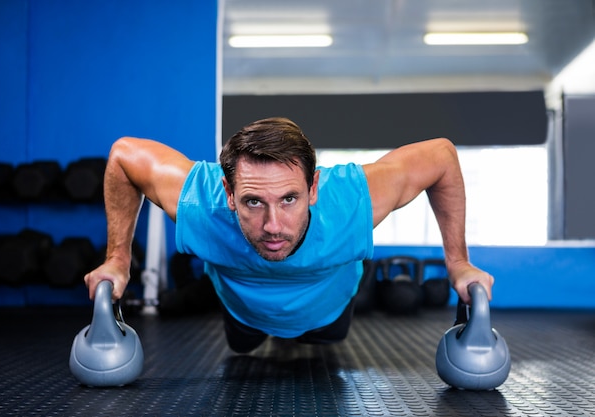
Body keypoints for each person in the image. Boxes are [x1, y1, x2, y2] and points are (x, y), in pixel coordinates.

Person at [84, 117, 494, 353]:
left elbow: (441, 156)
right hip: (244, 313)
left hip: (328, 314)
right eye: (253, 203)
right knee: (243, 346)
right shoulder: (200, 204)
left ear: (314, 188)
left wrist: (457, 262)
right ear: (227, 194)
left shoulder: (351, 200)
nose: (273, 226)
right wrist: (118, 258)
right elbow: (123, 155)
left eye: (290, 199)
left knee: (327, 339)